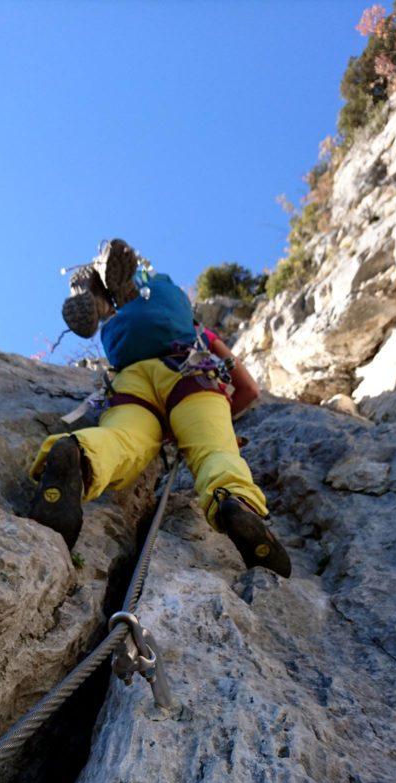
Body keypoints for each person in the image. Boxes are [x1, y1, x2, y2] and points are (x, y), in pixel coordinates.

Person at [29, 240, 291, 578]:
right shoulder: (197, 331)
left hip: (131, 381)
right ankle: (235, 501)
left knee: (122, 438)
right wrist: (207, 421)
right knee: (214, 450)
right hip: (189, 373)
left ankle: (80, 453)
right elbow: (249, 388)